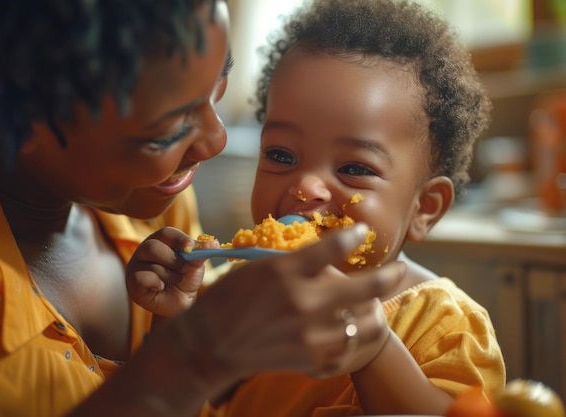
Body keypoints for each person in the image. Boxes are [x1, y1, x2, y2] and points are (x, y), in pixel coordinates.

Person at [0, 1, 408, 416]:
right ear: (13, 126)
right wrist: (188, 357)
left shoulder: (160, 202)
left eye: (217, 84)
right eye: (165, 132)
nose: (216, 140)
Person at [128, 0, 507, 416]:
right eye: (282, 156)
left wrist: (376, 353)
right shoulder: (232, 295)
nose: (306, 187)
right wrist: (176, 321)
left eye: (354, 168)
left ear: (425, 208)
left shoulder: (443, 325)